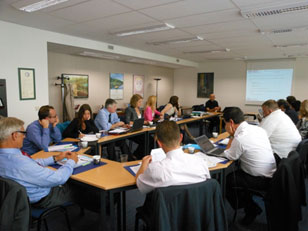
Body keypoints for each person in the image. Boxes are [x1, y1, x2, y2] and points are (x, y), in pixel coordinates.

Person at [0, 117, 78, 208]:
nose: (24, 136)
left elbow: (31, 163)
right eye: (23, 133)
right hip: (43, 199)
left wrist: (55, 158)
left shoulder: (10, 157)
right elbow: (57, 178)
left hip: (15, 201)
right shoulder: (21, 162)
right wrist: (71, 162)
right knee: (77, 188)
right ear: (14, 135)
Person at [222, 107, 276, 226]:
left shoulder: (240, 138)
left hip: (260, 179)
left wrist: (231, 136)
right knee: (236, 175)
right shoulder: (258, 129)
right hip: (271, 174)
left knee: (227, 182)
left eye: (225, 124)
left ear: (231, 122)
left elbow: (229, 155)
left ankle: (252, 209)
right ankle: (250, 207)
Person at [136, 120, 210, 194]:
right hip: (197, 205)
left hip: (167, 205)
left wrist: (143, 164)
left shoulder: (155, 169)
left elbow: (139, 184)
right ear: (181, 137)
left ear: (159, 143)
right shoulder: (200, 162)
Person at [125, 94, 149, 159]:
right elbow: (127, 121)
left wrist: (144, 122)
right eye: (139, 102)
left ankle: (145, 155)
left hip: (140, 129)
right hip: (133, 131)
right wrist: (137, 123)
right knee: (144, 140)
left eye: (141, 102)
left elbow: (140, 119)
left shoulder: (139, 109)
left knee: (149, 139)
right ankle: (137, 155)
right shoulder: (129, 109)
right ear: (135, 101)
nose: (141, 103)